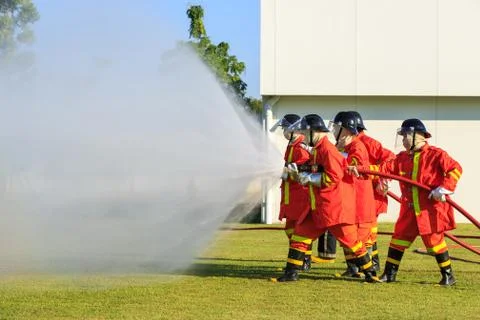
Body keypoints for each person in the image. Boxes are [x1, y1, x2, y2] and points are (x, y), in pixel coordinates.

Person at [348, 118, 462, 286]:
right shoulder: (402, 158)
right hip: (409, 209)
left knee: (435, 242)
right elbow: (383, 169)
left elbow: (455, 169)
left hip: (429, 209)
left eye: (405, 136)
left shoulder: (436, 154)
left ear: (418, 136)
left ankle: (448, 276)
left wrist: (443, 189)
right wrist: (361, 170)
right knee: (398, 240)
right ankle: (389, 274)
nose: (402, 140)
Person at [271, 114, 379, 283]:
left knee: (352, 243)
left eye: (306, 134)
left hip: (333, 210)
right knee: (300, 236)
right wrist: (301, 170)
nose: (304, 137)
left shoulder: (327, 149)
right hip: (318, 207)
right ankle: (291, 273)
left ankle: (370, 273)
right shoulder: (318, 149)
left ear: (315, 132)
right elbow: (317, 167)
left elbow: (333, 177)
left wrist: (309, 178)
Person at [329, 111, 376, 278]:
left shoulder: (357, 147)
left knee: (359, 238)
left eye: (336, 127)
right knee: (348, 237)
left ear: (346, 130)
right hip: (350, 200)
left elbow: (352, 168)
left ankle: (368, 270)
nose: (333, 131)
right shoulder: (344, 147)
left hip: (360, 202)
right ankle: (353, 270)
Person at [349, 110, 395, 272]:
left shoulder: (368, 143)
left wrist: (375, 174)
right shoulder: (347, 144)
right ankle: (357, 266)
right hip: (356, 194)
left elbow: (391, 160)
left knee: (368, 233)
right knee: (354, 231)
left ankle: (370, 265)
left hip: (371, 195)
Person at [270, 114, 312, 270]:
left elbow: (302, 170)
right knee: (290, 229)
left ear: (294, 129)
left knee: (300, 231)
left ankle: (304, 261)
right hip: (290, 194)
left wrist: (285, 172)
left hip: (300, 195)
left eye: (285, 128)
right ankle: (301, 259)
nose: (284, 131)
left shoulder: (301, 146)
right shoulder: (292, 144)